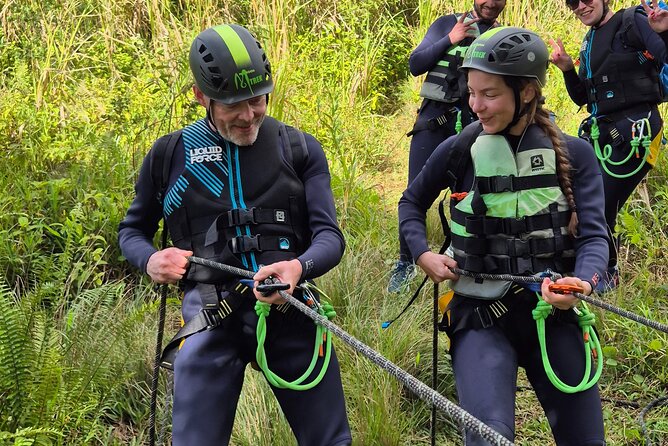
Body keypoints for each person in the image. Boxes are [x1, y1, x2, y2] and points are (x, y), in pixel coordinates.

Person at [118, 24, 351, 446]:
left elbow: (330, 238)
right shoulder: (169, 155)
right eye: (233, 105)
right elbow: (132, 230)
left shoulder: (298, 148)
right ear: (201, 97)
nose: (248, 116)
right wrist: (151, 260)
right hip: (209, 319)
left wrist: (297, 266)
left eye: (258, 100)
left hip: (290, 309)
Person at [399, 27, 608, 444]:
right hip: (479, 318)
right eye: (471, 92)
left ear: (526, 92)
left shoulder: (576, 154)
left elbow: (594, 238)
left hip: (554, 314)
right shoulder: (461, 149)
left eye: (489, 94)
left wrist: (582, 281)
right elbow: (410, 203)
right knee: (487, 438)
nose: (475, 105)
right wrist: (422, 254)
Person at [388, 0, 507, 293]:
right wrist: (451, 38)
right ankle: (406, 262)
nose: (491, 2)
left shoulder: (503, 38)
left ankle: (463, 256)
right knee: (415, 190)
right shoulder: (447, 23)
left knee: (469, 195)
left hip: (473, 127)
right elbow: (416, 64)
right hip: (433, 123)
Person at [549, 0, 668, 291]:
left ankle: (607, 273)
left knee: (599, 206)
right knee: (583, 203)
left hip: (637, 133)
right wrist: (567, 69)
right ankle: (594, 266)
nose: (579, 6)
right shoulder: (589, 41)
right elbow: (584, 99)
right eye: (571, 2)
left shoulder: (633, 21)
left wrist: (664, 32)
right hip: (604, 135)